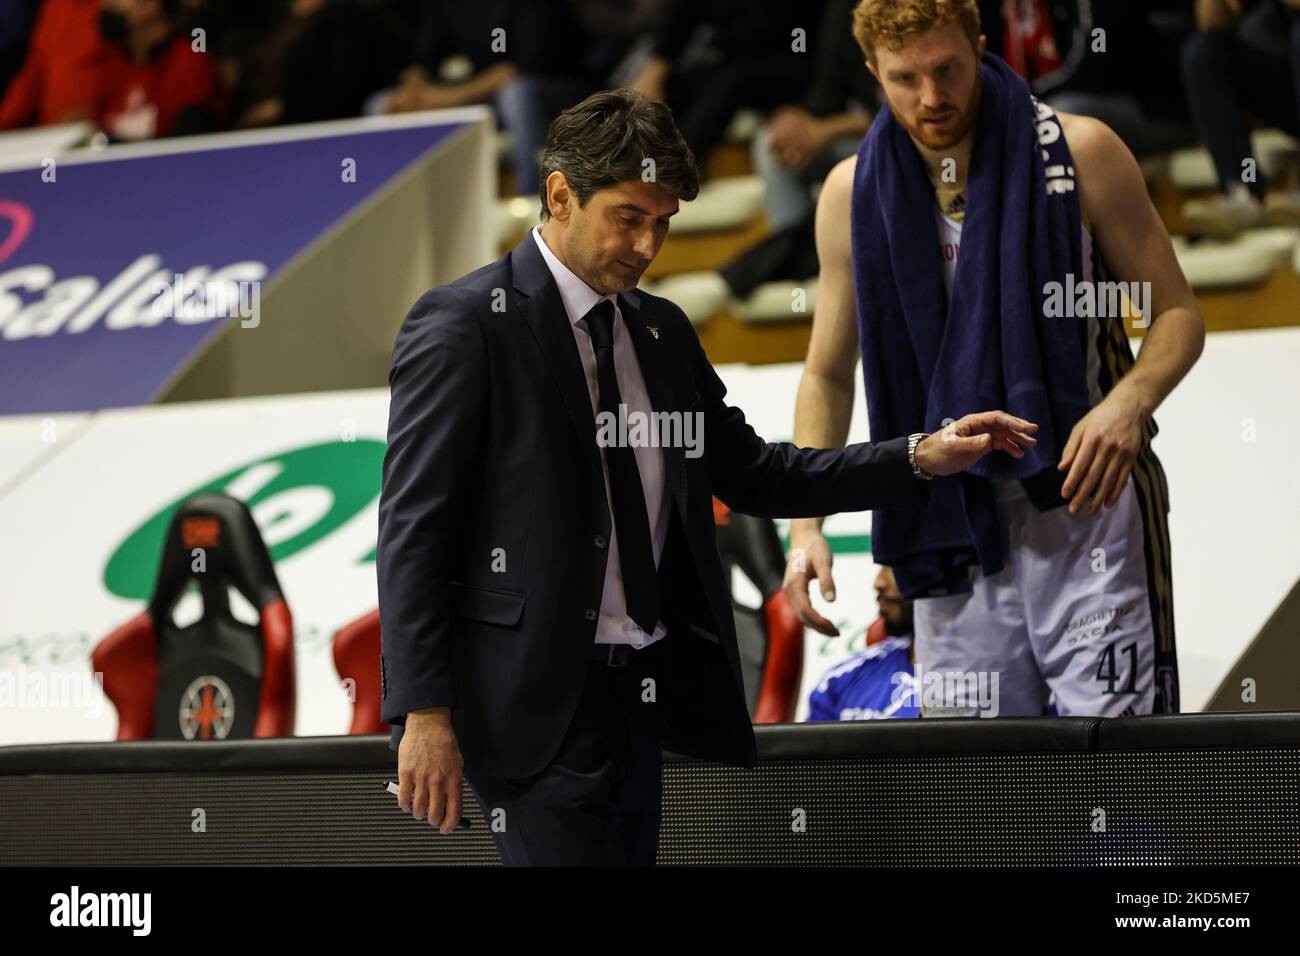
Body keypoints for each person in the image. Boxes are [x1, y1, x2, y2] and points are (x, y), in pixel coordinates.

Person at [376, 87, 1038, 866]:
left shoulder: (660, 331)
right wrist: (423, 711)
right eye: (629, 217)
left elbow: (759, 475)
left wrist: (917, 455)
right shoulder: (463, 324)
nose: (648, 244)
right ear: (560, 195)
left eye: (663, 223)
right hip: (529, 704)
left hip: (643, 693)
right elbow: (414, 531)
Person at [786, 0, 1204, 719]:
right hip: (950, 519)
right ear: (871, 72)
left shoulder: (1081, 152)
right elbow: (827, 372)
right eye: (904, 78)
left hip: (1085, 504)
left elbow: (1178, 314)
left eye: (947, 69)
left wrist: (1129, 403)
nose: (931, 97)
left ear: (981, 46)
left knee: (1123, 770)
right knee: (982, 791)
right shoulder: (850, 193)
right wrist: (805, 528)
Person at [805, 566, 919, 721]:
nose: (878, 582)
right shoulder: (839, 681)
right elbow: (809, 744)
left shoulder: (959, 688)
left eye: (896, 564)